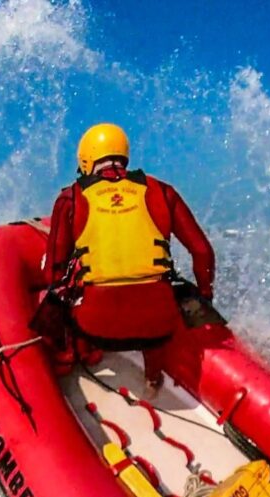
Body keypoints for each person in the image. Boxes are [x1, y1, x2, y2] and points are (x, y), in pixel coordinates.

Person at [43, 123, 216, 396]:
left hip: (95, 326)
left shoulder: (70, 198)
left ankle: (74, 357)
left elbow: (53, 272)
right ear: (124, 155)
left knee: (64, 289)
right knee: (157, 290)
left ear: (86, 160)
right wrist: (205, 294)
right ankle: (153, 377)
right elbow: (202, 252)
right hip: (159, 326)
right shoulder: (163, 191)